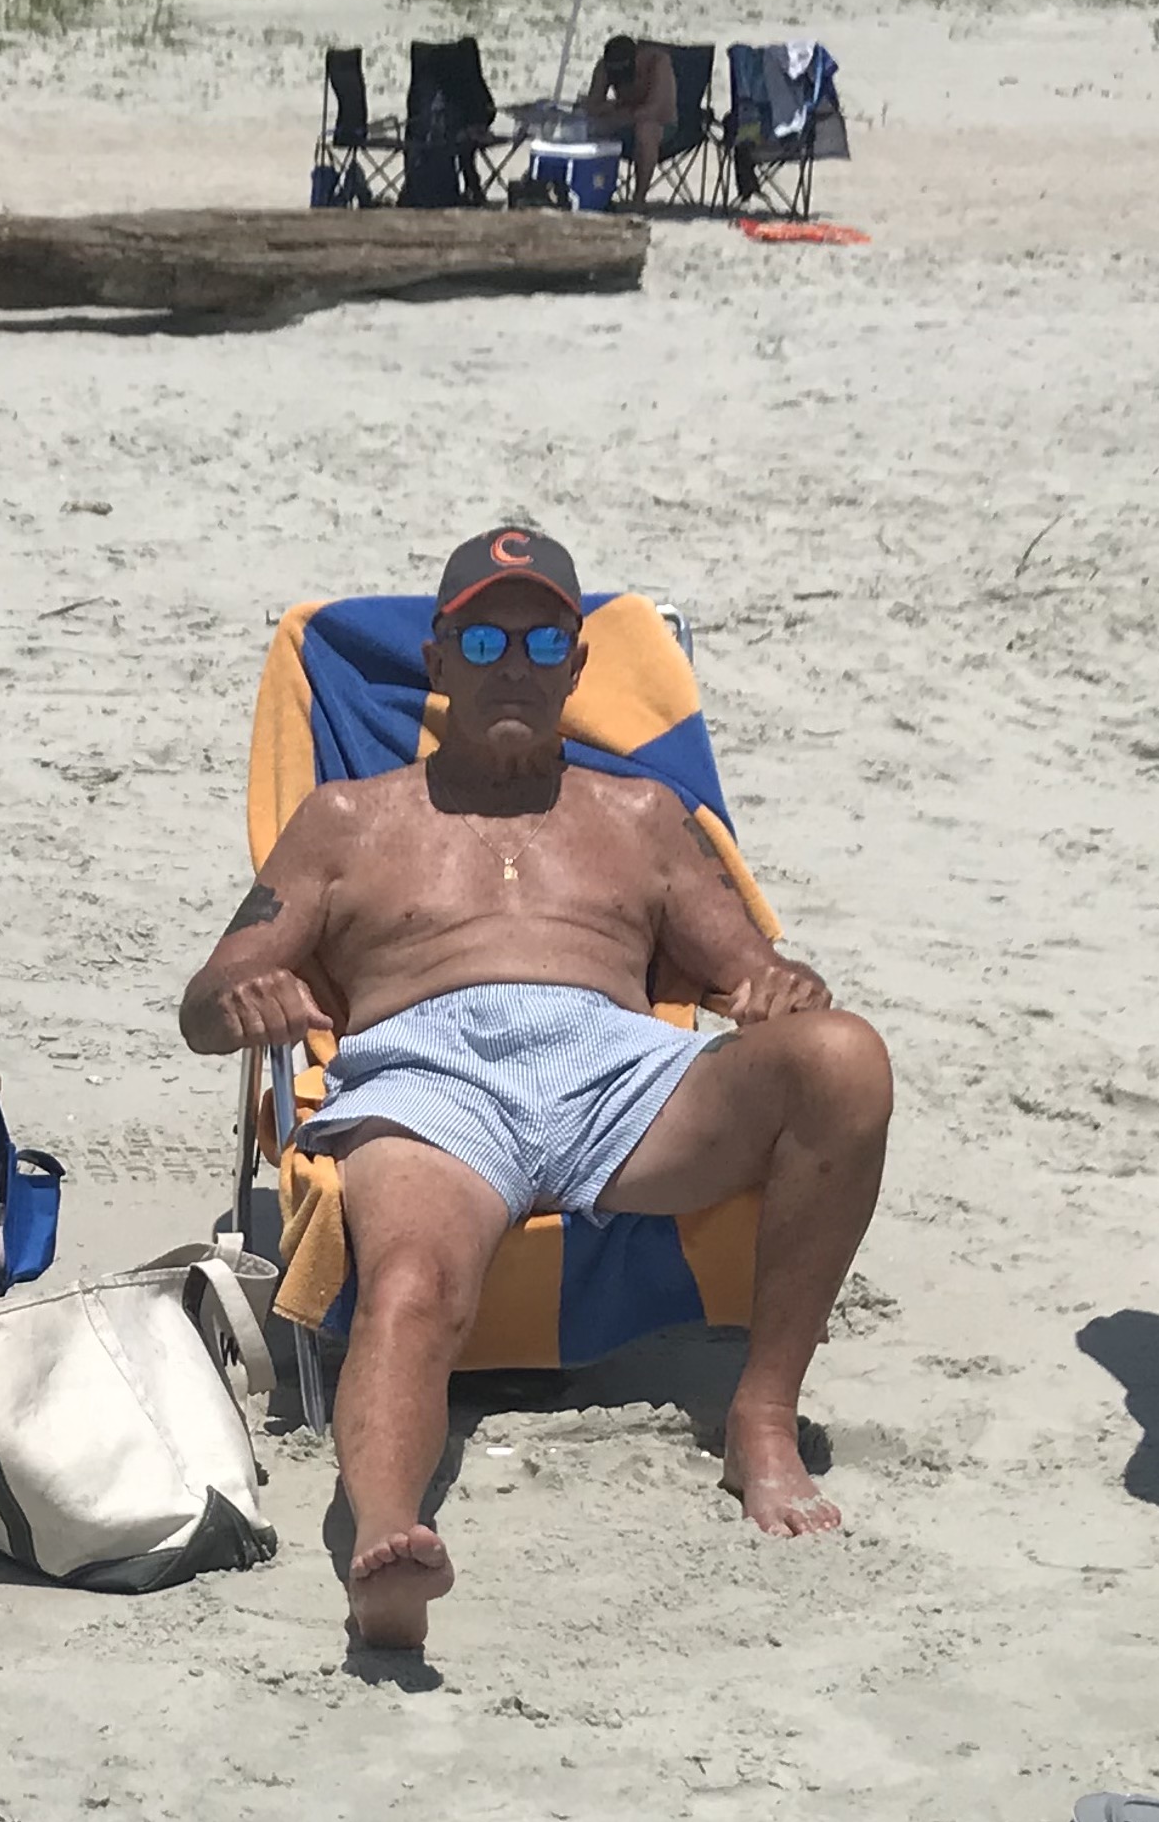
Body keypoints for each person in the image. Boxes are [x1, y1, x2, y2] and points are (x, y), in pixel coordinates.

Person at [178, 526, 893, 1648]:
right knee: (415, 1281)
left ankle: (761, 1416)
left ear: (576, 667)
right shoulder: (346, 822)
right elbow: (206, 1001)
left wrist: (781, 990)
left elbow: (756, 975)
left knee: (844, 1058)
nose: (513, 662)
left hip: (619, 1076)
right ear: (439, 659)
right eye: (484, 640)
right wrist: (244, 1003)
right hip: (430, 1080)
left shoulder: (643, 818)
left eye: (543, 639)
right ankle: (387, 1541)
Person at [578, 35, 674, 206]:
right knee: (583, 126)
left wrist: (619, 111)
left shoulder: (658, 62)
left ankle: (639, 198)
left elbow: (656, 108)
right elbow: (593, 106)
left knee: (646, 131)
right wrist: (608, 109)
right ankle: (590, 190)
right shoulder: (605, 67)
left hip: (661, 123)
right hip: (624, 117)